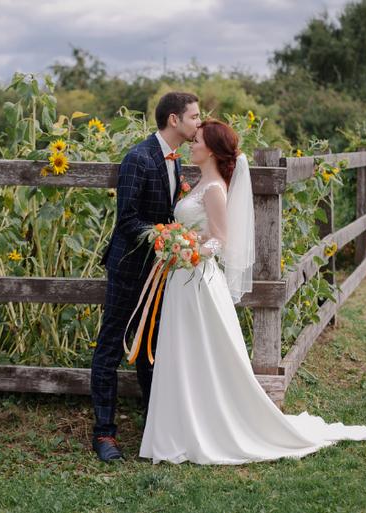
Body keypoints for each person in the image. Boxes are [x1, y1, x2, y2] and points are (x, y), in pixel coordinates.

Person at [139, 120, 366, 465]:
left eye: (198, 141)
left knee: (200, 350)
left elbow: (221, 239)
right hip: (182, 279)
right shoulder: (200, 182)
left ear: (213, 151)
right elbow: (200, 230)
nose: (192, 144)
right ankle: (181, 427)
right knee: (183, 349)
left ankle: (205, 428)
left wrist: (188, 250)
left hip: (198, 279)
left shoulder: (214, 189)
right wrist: (178, 241)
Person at [91, 92, 201, 462]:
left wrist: (175, 239)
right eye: (194, 116)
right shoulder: (138, 157)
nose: (199, 123)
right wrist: (166, 237)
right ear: (174, 120)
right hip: (128, 268)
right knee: (110, 348)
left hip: (160, 271)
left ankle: (157, 429)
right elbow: (127, 219)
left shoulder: (176, 159)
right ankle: (104, 434)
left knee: (151, 350)